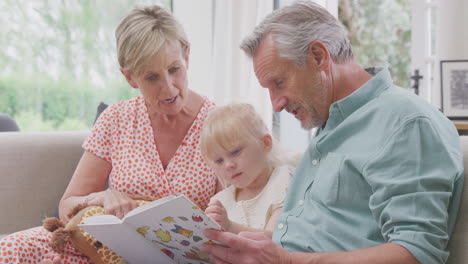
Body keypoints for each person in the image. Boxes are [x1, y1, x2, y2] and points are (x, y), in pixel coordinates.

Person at [201, 1, 464, 264]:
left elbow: (416, 254)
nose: (276, 104)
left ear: (318, 56)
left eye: (279, 83)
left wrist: (287, 261)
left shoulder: (406, 122)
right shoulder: (330, 124)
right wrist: (252, 245)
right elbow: (314, 238)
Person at [0, 4, 220, 264]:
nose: (169, 88)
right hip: (105, 253)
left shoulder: (220, 124)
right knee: (9, 249)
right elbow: (68, 205)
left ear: (187, 57)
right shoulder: (116, 119)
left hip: (185, 259)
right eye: (152, 77)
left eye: (174, 69)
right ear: (129, 78)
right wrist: (100, 197)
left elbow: (235, 214)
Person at [201, 103, 296, 235]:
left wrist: (229, 227)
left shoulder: (283, 180)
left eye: (235, 152)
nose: (228, 165)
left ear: (265, 143)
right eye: (219, 161)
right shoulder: (221, 201)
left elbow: (276, 240)